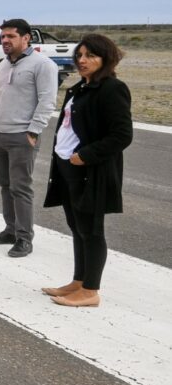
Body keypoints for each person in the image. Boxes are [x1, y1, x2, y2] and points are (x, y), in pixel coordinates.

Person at [41, 34, 133, 307]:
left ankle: (91, 290)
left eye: (90, 55)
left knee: (92, 230)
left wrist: (85, 156)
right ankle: (79, 281)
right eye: (79, 55)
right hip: (67, 167)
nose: (82, 61)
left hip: (90, 170)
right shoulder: (79, 88)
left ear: (106, 58)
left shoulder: (112, 89)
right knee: (77, 226)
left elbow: (122, 135)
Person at [0, 18, 59, 257]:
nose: (5, 41)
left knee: (21, 188)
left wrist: (33, 131)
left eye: (11, 36)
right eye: (3, 37)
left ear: (26, 38)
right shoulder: (3, 64)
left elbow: (47, 102)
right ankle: (10, 230)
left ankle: (25, 238)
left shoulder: (43, 65)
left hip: (21, 137)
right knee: (5, 186)